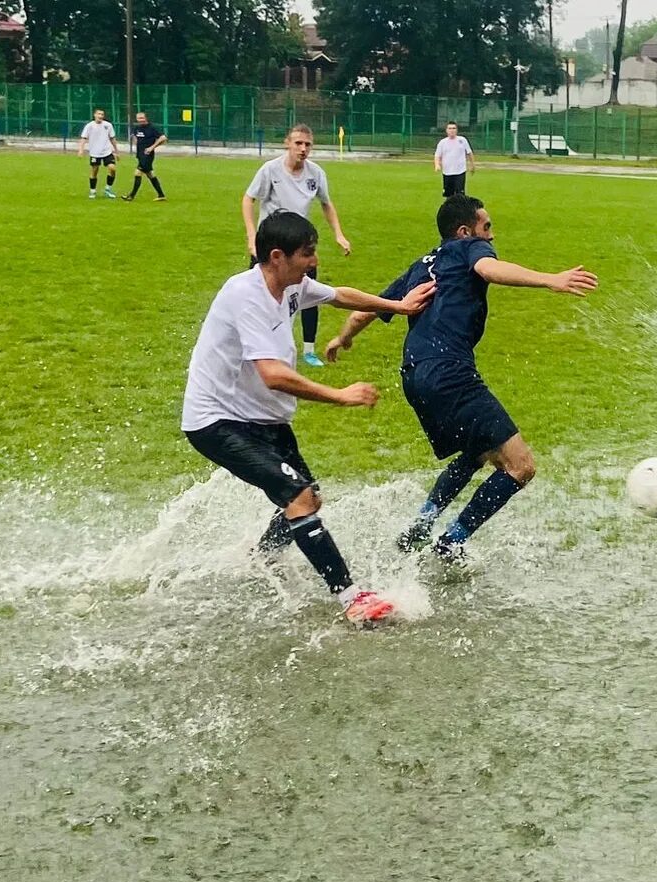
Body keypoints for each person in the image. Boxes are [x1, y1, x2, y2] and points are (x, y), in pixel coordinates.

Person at [181, 211, 435, 627]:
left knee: (308, 497)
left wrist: (397, 305)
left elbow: (339, 295)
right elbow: (273, 375)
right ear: (277, 256)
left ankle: (261, 558)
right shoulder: (246, 296)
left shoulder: (291, 285)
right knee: (298, 497)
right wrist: (339, 395)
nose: (315, 260)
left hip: (261, 417)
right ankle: (353, 599)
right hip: (217, 421)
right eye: (308, 253)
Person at [325, 194, 598, 562]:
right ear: (465, 231)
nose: (491, 236)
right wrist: (550, 279)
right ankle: (451, 541)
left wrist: (343, 338)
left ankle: (420, 527)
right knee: (521, 466)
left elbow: (366, 310)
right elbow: (489, 270)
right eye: (487, 228)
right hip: (450, 372)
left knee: (476, 451)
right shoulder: (470, 248)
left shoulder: (422, 265)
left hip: (415, 376)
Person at [243, 123, 351, 368]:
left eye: (308, 144)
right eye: (298, 143)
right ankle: (257, 345)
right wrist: (251, 236)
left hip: (301, 248)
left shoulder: (316, 174)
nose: (303, 149)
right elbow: (248, 199)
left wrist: (339, 234)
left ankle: (309, 351)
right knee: (259, 297)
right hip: (270, 248)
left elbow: (326, 203)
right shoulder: (270, 170)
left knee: (309, 295)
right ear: (287, 143)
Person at [121, 111, 167, 202]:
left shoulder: (152, 128)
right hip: (140, 154)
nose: (140, 120)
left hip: (147, 155)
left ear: (146, 118)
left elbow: (163, 138)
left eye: (142, 118)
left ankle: (131, 196)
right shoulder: (137, 128)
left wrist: (152, 147)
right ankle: (161, 195)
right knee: (150, 175)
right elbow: (134, 137)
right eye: (138, 118)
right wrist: (135, 143)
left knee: (138, 173)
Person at [77, 109, 119, 199]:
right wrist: (81, 150)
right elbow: (83, 138)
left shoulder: (108, 125)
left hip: (107, 152)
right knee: (94, 171)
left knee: (112, 168)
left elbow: (112, 138)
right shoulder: (89, 126)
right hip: (95, 153)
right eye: (99, 114)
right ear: (94, 115)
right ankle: (93, 191)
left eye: (102, 114)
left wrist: (116, 151)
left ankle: (108, 189)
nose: (100, 116)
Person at [434, 121, 474, 198]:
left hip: (460, 172)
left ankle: (460, 209)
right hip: (447, 172)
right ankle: (449, 209)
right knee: (449, 195)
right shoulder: (442, 142)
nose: (452, 130)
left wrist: (472, 165)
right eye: (450, 128)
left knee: (460, 195)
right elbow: (437, 155)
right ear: (446, 130)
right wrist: (437, 165)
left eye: (454, 128)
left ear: (457, 130)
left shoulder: (462, 140)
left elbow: (469, 153)